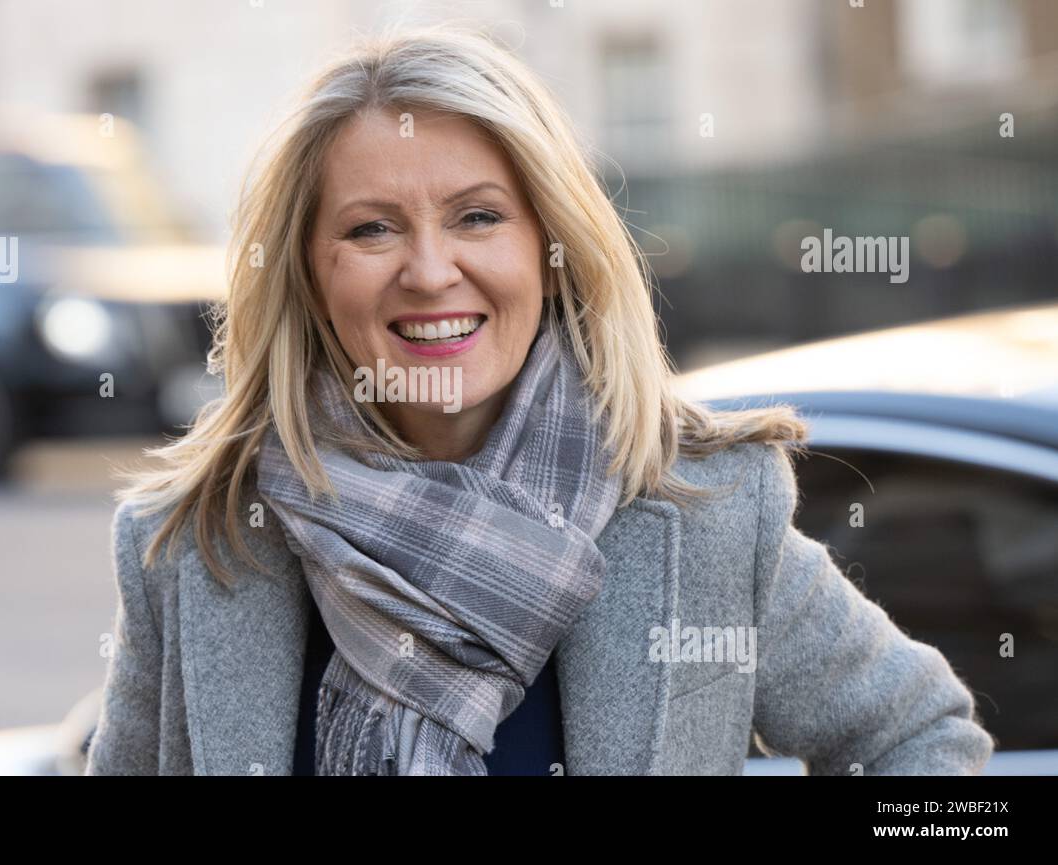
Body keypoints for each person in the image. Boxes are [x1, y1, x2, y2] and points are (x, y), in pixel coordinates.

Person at [84, 25, 994, 776]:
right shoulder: (192, 543)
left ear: (552, 251)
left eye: (479, 216)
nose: (432, 270)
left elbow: (926, 745)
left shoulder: (705, 513)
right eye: (372, 228)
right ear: (310, 278)